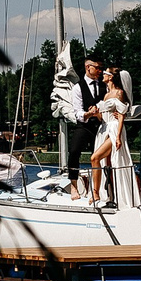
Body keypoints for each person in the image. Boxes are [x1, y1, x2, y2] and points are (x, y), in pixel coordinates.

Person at [58, 53, 105, 198]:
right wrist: (88, 114)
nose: (100, 71)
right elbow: (77, 112)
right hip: (84, 125)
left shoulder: (105, 86)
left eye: (101, 68)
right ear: (88, 67)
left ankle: (100, 189)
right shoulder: (78, 88)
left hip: (101, 125)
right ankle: (73, 186)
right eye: (97, 68)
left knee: (99, 156)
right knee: (74, 151)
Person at [87, 68, 135, 206]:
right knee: (104, 162)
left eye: (106, 73)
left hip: (114, 130)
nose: (103, 74)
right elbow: (104, 117)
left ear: (112, 77)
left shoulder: (119, 93)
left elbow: (121, 117)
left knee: (95, 158)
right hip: (104, 128)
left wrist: (118, 137)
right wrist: (96, 114)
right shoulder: (107, 95)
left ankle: (95, 193)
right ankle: (104, 193)